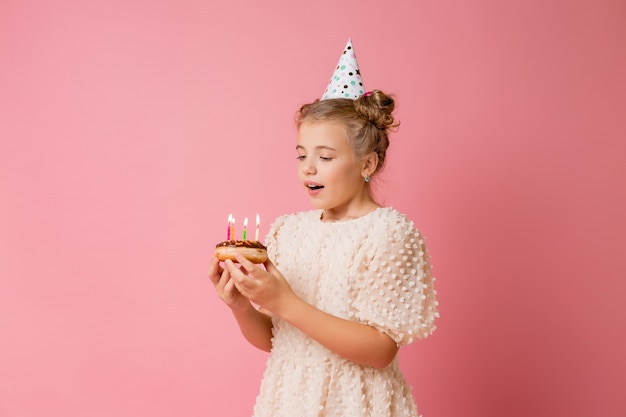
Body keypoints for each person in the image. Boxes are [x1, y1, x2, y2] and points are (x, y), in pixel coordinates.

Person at [208, 40, 438, 417]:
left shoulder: (389, 233)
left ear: (367, 164)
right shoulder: (288, 230)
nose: (308, 168)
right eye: (301, 155)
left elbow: (380, 350)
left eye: (325, 157)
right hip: (290, 401)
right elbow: (278, 339)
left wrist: (285, 302)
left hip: (357, 404)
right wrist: (240, 304)